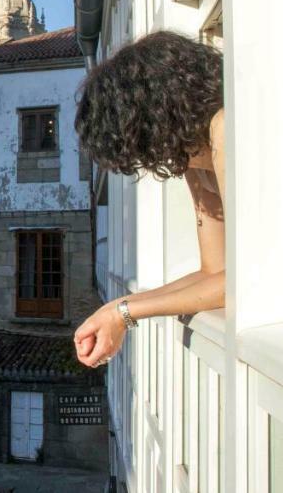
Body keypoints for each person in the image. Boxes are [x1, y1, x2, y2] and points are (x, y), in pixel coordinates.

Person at [72, 31, 226, 369]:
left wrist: (124, 313)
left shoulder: (225, 131)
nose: (146, 157)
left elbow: (244, 280)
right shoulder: (197, 163)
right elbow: (214, 271)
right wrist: (118, 308)